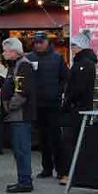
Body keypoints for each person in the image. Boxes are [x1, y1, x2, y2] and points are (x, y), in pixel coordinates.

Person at [27, 31, 69, 180]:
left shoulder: (57, 58)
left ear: (47, 42)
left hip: (53, 103)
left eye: (40, 42)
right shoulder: (29, 57)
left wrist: (59, 92)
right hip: (37, 104)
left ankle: (61, 169)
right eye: (36, 42)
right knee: (42, 138)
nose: (38, 45)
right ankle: (47, 168)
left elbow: (65, 78)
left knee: (56, 138)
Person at [61, 30, 98, 185]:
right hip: (79, 107)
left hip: (78, 108)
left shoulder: (84, 65)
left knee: (70, 140)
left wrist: (68, 101)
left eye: (74, 46)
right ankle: (73, 171)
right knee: (73, 140)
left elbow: (78, 88)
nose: (72, 48)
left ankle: (71, 172)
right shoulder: (83, 63)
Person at [1, 38, 37, 193]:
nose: (3, 53)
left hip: (20, 115)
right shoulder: (15, 65)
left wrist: (10, 106)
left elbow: (22, 91)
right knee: (18, 149)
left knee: (21, 149)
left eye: (6, 50)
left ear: (14, 51)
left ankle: (25, 181)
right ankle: (23, 178)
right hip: (16, 115)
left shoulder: (23, 65)